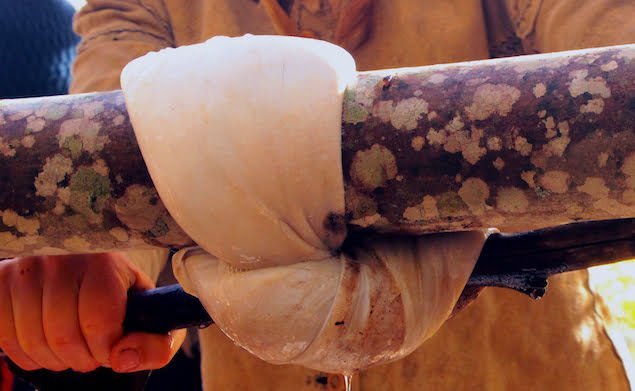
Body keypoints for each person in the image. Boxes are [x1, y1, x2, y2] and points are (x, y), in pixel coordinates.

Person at [1, 0, 634, 390]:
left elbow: (613, 34)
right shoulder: (145, 3)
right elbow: (102, 130)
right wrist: (94, 263)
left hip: (523, 372)